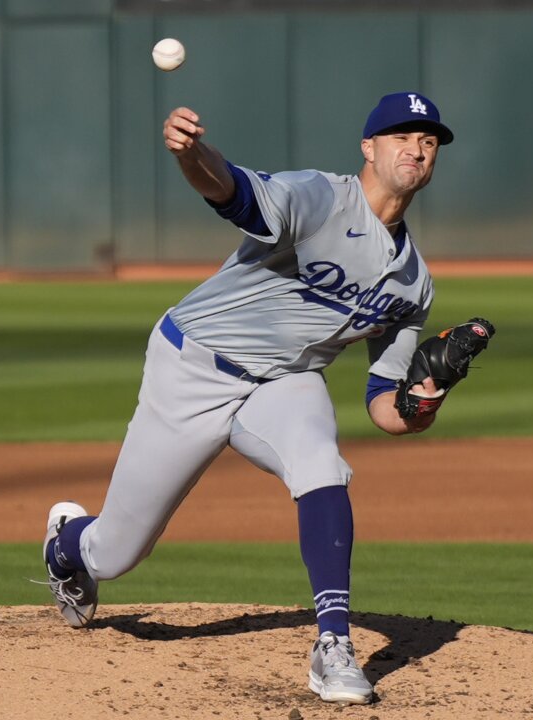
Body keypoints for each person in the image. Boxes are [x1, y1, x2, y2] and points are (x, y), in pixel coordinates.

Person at [42, 91, 467, 705]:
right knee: (115, 554)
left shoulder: (415, 285)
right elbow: (232, 191)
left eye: (428, 142)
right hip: (193, 367)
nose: (417, 148)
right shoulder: (320, 197)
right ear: (368, 148)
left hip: (286, 382)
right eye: (402, 135)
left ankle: (334, 646)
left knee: (322, 463)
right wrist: (192, 154)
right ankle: (65, 543)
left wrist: (425, 398)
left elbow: (384, 407)